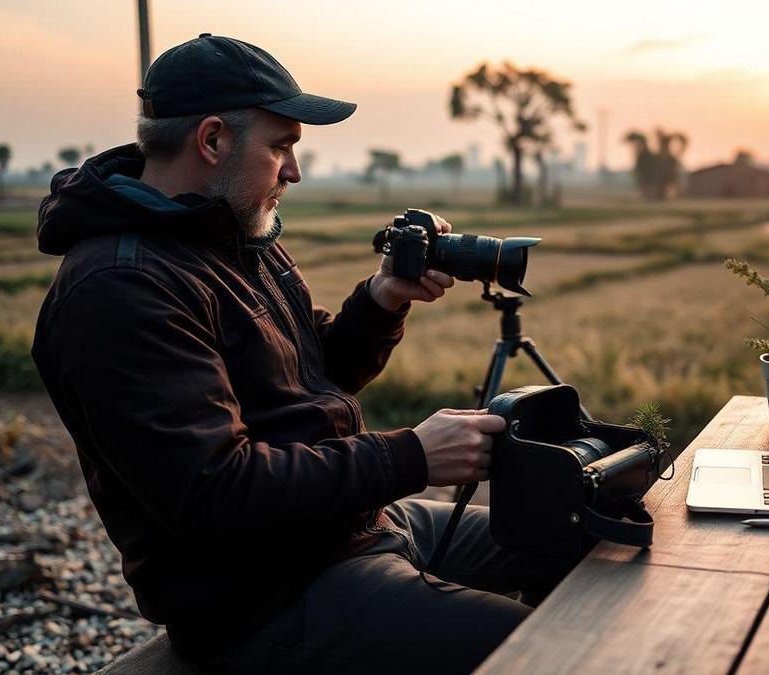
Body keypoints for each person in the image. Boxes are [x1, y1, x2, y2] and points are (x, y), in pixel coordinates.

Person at [32, 34, 571, 674]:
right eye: (281, 146)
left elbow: (318, 371)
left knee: (577, 530)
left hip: (346, 528)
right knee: (555, 652)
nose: (294, 170)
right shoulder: (122, 289)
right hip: (268, 595)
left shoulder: (229, 234)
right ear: (211, 140)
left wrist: (382, 299)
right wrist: (413, 455)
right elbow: (215, 493)